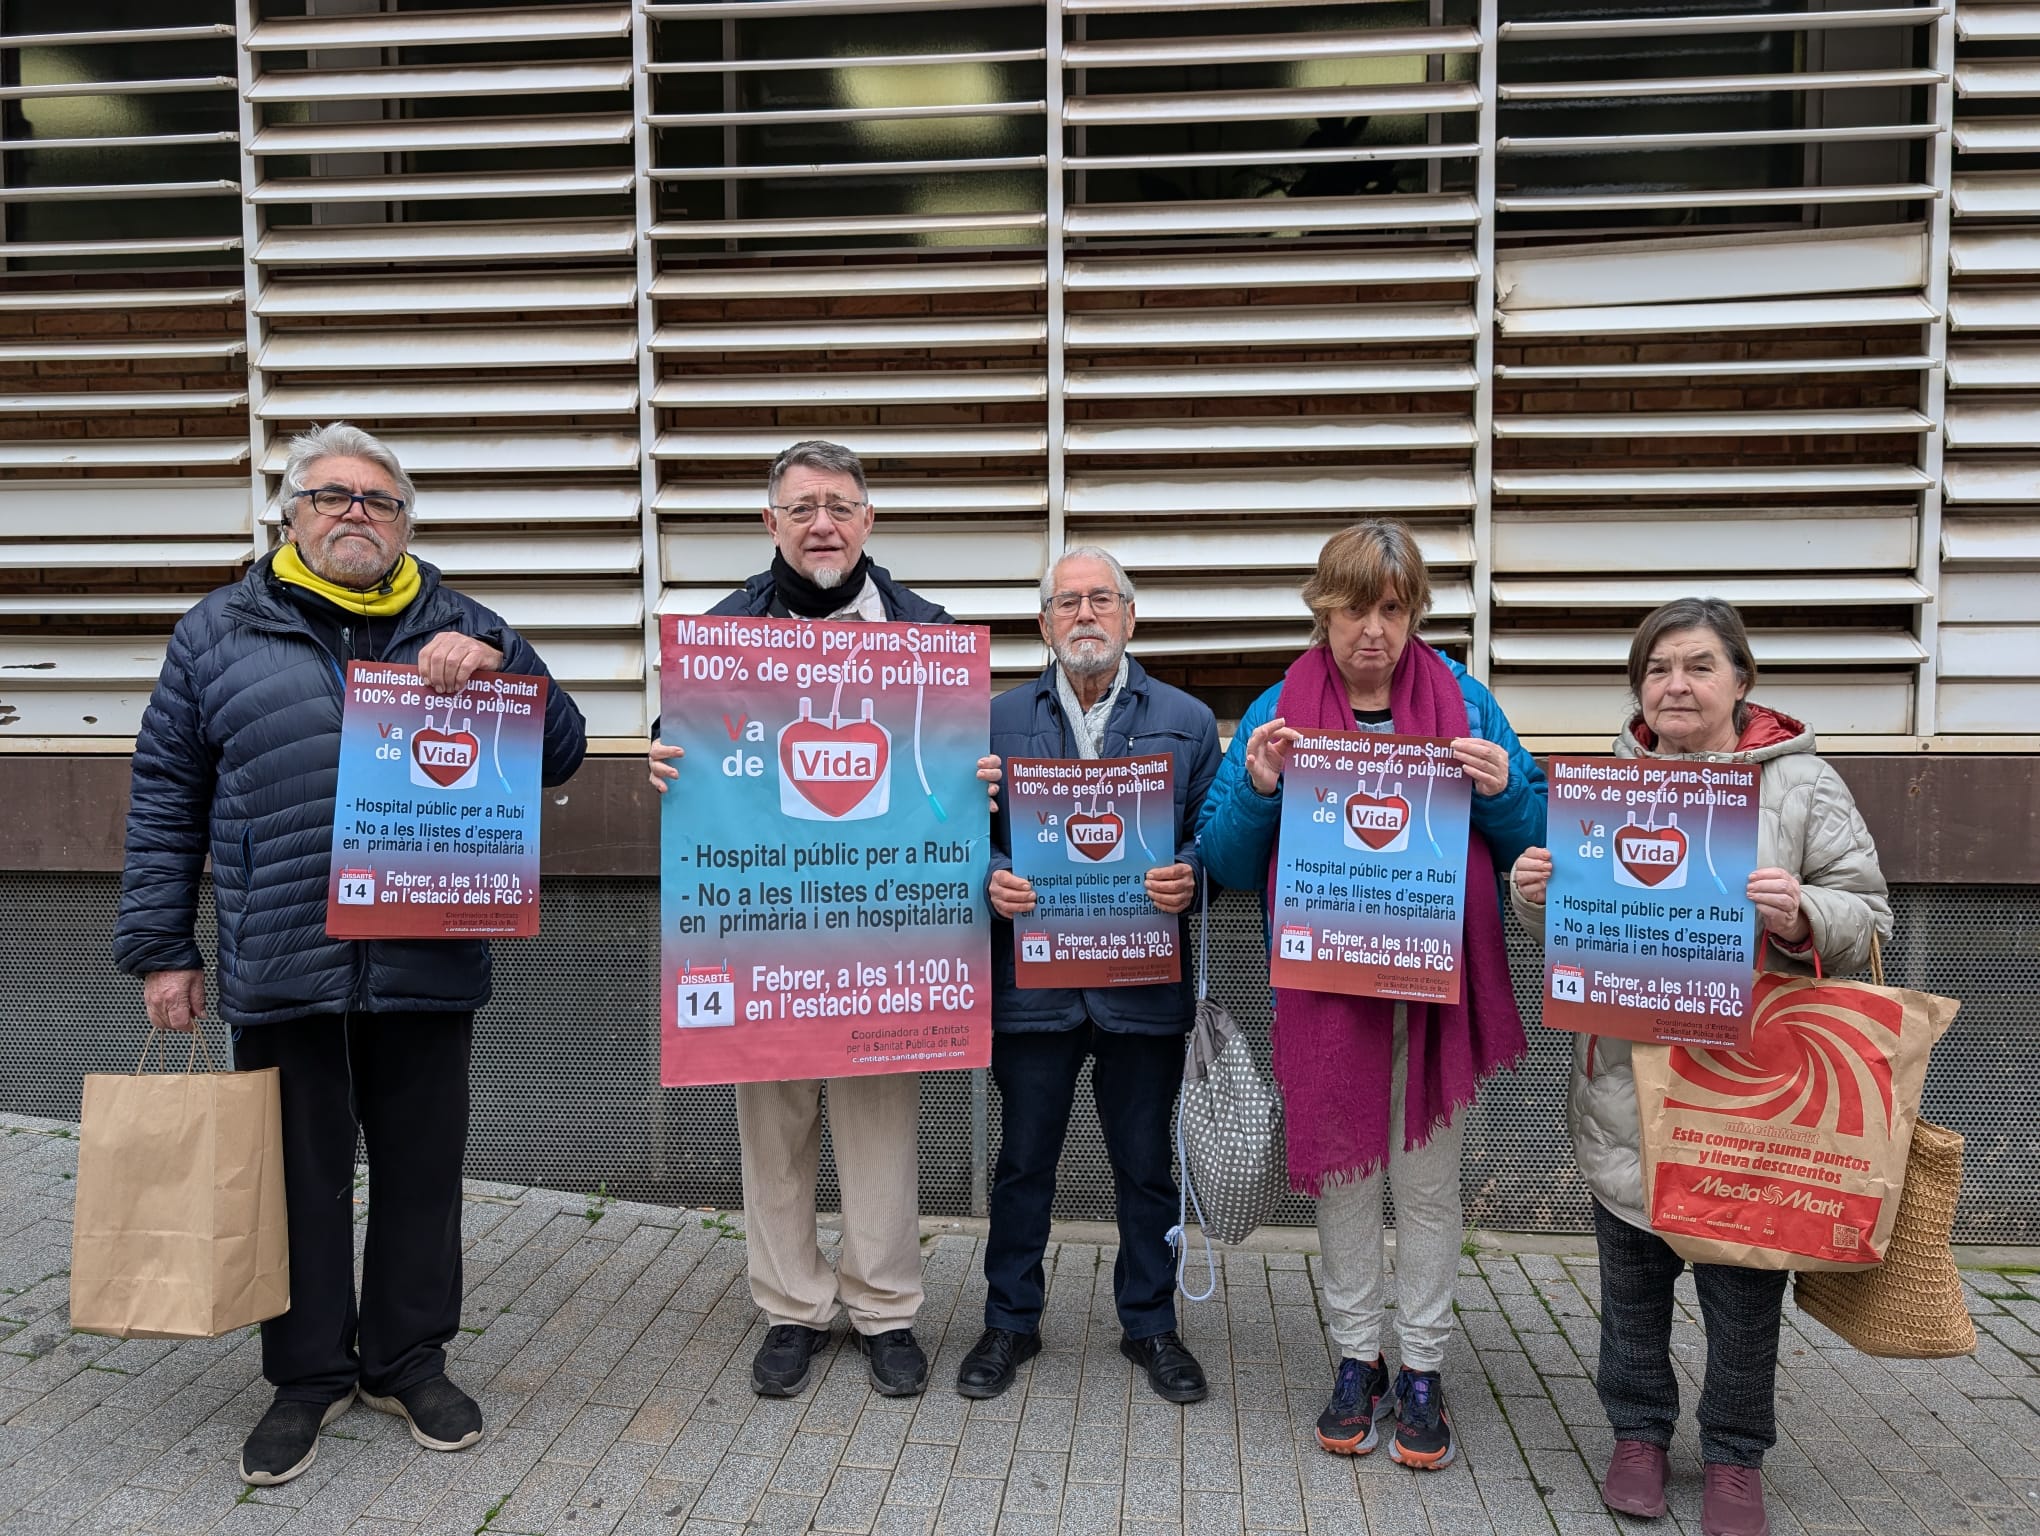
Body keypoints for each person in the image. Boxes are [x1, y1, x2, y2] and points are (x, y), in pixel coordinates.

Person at [114, 423, 587, 1487]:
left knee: (422, 1176)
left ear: (406, 522)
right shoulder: (216, 634)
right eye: (332, 496)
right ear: (291, 514)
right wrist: (161, 948)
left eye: (379, 499)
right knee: (297, 1179)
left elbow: (561, 751)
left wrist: (509, 669)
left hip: (428, 956)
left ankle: (407, 1361)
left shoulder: (468, 626)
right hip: (284, 954)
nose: (356, 514)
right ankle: (307, 1376)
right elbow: (165, 796)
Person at [1508, 597, 1891, 1536]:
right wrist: (1535, 897)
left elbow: (1869, 915)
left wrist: (1801, 913)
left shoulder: (1801, 785)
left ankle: (1733, 1454)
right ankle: (1637, 1435)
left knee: (1743, 1295)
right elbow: (1574, 931)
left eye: (1698, 666)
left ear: (1742, 680)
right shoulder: (1605, 786)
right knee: (1632, 1288)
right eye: (1657, 669)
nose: (1675, 685)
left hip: (1749, 1094)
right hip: (1625, 1087)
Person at [648, 439, 998, 1401]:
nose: (822, 524)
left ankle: (885, 1309)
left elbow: (949, 772)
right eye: (801, 507)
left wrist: (980, 779)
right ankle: (792, 1308)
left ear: (868, 520)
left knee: (880, 1126)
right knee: (773, 1125)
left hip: (882, 927)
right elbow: (690, 749)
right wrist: (664, 757)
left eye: (839, 506)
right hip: (762, 924)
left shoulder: (928, 634)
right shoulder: (721, 637)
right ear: (771, 523)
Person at [1197, 519, 1545, 1469]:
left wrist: (1507, 793)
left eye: (1392, 609)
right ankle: (1359, 1358)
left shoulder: (1467, 703)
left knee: (1428, 1190)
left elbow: (1538, 845)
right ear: (1324, 612)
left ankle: (1424, 1366)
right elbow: (1223, 860)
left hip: (1437, 1000)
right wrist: (1259, 786)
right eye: (1353, 609)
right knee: (1346, 1182)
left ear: (1415, 613)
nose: (1373, 630)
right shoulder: (1278, 708)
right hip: (1327, 996)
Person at [965, 547, 1221, 1403]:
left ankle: (1151, 1326)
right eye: (1067, 602)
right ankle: (1009, 1321)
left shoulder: (1187, 721)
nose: (1084, 615)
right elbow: (957, 830)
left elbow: (1215, 835)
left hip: (1141, 985)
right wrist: (990, 874)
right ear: (1043, 623)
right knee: (1022, 1161)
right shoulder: (994, 721)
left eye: (1100, 600)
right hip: (1032, 984)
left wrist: (1193, 874)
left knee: (1146, 1166)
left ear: (1129, 616)